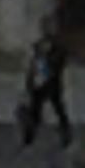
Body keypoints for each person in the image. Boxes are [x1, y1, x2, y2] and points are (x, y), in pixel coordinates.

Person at [19, 23, 73, 151]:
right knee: (35, 110)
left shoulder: (59, 49)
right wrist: (30, 82)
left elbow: (58, 65)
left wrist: (46, 73)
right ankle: (29, 136)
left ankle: (65, 135)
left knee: (58, 109)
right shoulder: (38, 47)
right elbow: (33, 66)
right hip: (39, 84)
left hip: (51, 84)